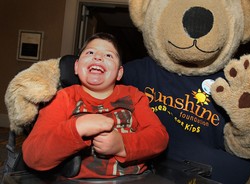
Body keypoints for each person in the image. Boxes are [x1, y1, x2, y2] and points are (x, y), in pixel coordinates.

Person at [22, 32, 169, 179]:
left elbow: (160, 137)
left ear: (119, 73)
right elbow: (33, 156)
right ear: (76, 66)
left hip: (134, 179)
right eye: (90, 52)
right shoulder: (62, 98)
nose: (98, 57)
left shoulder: (133, 96)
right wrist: (77, 127)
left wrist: (122, 145)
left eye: (109, 55)